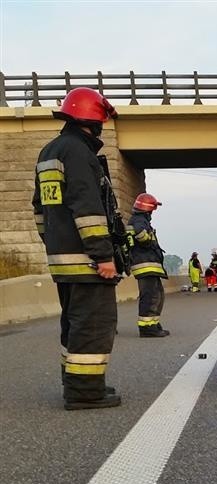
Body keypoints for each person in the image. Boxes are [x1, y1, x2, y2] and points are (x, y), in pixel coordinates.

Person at [31, 87, 122, 410]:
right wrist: (103, 255)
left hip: (62, 259)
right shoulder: (78, 152)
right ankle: (85, 392)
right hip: (86, 261)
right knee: (93, 324)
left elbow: (40, 210)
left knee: (74, 323)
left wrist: (56, 244)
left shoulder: (50, 151)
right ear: (93, 119)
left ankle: (78, 384)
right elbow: (88, 208)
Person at [127, 193, 170, 337]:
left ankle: (153, 324)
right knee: (150, 296)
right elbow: (141, 235)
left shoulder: (140, 220)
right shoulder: (138, 221)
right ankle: (147, 328)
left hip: (149, 265)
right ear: (148, 209)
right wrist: (149, 240)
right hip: (145, 265)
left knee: (157, 295)